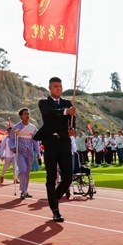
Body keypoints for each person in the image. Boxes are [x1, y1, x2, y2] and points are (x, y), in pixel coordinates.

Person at [34, 77, 76, 223]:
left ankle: (54, 199)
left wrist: (72, 129)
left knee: (68, 178)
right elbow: (50, 113)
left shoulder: (67, 103)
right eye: (55, 86)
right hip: (50, 143)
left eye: (60, 86)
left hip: (65, 143)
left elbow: (72, 121)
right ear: (50, 88)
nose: (58, 88)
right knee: (51, 177)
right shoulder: (44, 103)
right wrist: (65, 112)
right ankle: (55, 211)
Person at [10, 107, 40, 199]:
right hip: (20, 152)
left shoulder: (33, 127)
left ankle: (25, 191)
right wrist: (13, 147)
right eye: (25, 114)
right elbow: (11, 140)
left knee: (27, 172)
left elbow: (35, 141)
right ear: (21, 116)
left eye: (28, 114)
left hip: (29, 152)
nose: (27, 115)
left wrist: (38, 152)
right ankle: (22, 189)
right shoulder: (16, 127)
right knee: (23, 169)